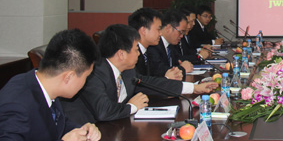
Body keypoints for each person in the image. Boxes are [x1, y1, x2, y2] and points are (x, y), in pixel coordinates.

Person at [62, 24, 218, 125]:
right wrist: (131, 107)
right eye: (136, 49)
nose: (139, 54)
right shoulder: (95, 73)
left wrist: (194, 88)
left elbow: (152, 83)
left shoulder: (127, 71)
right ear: (121, 54)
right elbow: (103, 111)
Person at [128, 7, 182, 80]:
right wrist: (166, 78)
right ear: (143, 30)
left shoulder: (146, 51)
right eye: (158, 29)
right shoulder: (130, 54)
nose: (160, 33)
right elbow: (138, 82)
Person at [146, 10, 192, 79]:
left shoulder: (170, 45)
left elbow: (180, 59)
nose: (182, 36)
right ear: (168, 28)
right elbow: (158, 70)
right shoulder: (153, 45)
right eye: (180, 32)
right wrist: (182, 68)